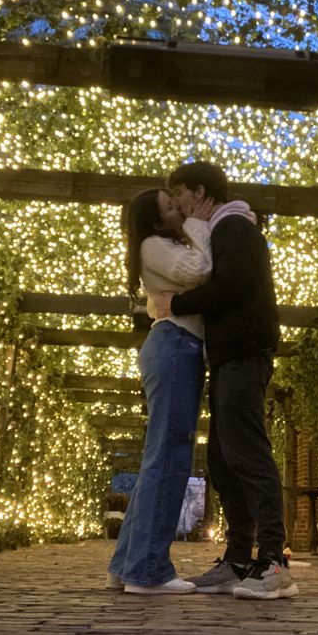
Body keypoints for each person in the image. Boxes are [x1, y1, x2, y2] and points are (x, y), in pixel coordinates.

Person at [151, 161, 298, 600]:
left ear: (200, 191)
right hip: (230, 355)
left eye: (179, 194)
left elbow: (231, 287)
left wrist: (173, 302)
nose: (176, 204)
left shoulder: (234, 227)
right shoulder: (222, 231)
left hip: (245, 352)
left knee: (247, 452)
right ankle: (237, 560)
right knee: (222, 457)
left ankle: (274, 561)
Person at [106, 187, 214, 595]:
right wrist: (199, 224)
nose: (178, 211)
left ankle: (127, 565)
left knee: (160, 457)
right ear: (155, 221)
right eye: (170, 208)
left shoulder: (158, 244)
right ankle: (148, 571)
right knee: (169, 457)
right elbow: (200, 271)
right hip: (175, 346)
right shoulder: (154, 244)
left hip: (174, 346)